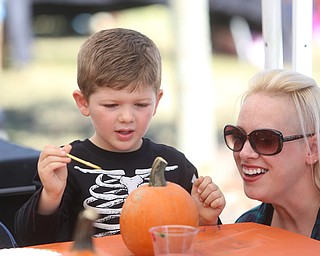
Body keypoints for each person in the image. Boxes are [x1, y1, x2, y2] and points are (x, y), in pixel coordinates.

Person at [15, 28, 225, 246]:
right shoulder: (67, 166)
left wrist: (205, 219)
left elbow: (202, 244)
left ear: (157, 101)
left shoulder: (175, 165)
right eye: (111, 105)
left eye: (141, 104)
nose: (126, 117)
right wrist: (50, 195)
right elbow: (30, 241)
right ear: (83, 102)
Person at [223, 69, 320, 240]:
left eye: (265, 140)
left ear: (312, 149)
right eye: (238, 136)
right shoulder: (246, 228)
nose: (245, 153)